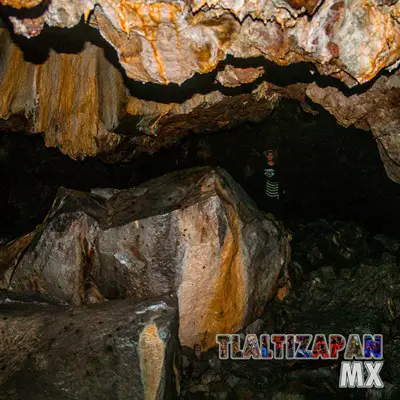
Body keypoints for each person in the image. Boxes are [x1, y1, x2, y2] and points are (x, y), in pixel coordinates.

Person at [263, 149, 282, 217]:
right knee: (267, 203)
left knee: (275, 204)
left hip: (275, 187)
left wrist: (280, 188)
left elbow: (280, 177)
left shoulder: (276, 166)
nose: (270, 157)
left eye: (271, 155)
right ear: (267, 156)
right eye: (269, 155)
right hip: (267, 187)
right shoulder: (263, 165)